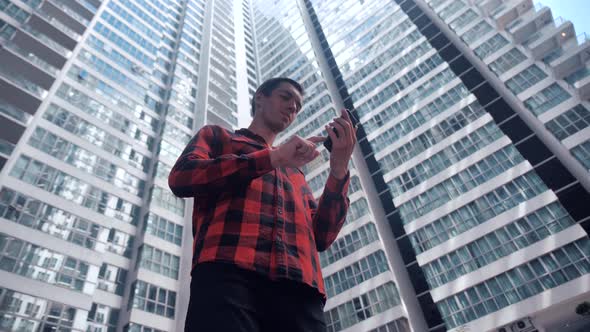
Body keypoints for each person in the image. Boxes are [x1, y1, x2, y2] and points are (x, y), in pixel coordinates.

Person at [168, 77, 356, 332]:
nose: (293, 107)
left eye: (298, 105)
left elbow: (322, 236)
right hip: (227, 274)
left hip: (300, 289)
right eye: (285, 97)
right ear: (260, 98)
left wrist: (339, 170)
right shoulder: (217, 137)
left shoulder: (296, 173)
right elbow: (182, 177)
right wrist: (274, 157)